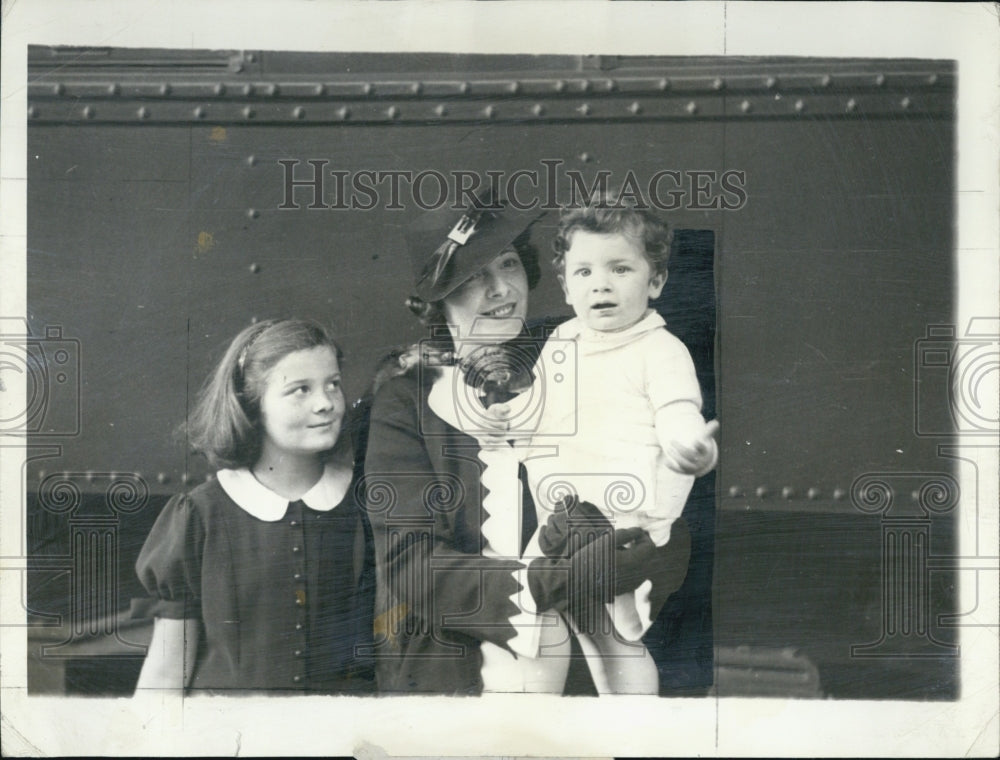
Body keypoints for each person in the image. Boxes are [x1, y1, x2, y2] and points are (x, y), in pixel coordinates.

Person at [362, 193, 692, 695]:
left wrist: (643, 559)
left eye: (510, 264)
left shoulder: (577, 356)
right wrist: (544, 583)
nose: (501, 289)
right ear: (439, 302)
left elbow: (654, 493)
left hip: (586, 674)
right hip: (456, 674)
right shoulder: (407, 401)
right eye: (474, 276)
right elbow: (409, 565)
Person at [519, 195, 718, 694]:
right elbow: (540, 411)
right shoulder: (561, 342)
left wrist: (691, 448)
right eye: (583, 272)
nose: (601, 283)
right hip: (559, 520)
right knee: (534, 620)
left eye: (620, 268)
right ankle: (531, 722)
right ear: (565, 287)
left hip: (625, 528)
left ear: (656, 282)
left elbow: (678, 412)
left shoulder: (660, 350)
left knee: (609, 636)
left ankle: (635, 731)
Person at [131, 318, 373, 694]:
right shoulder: (200, 516)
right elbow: (166, 672)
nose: (326, 403)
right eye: (299, 390)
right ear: (252, 404)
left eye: (333, 385)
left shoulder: (366, 504)